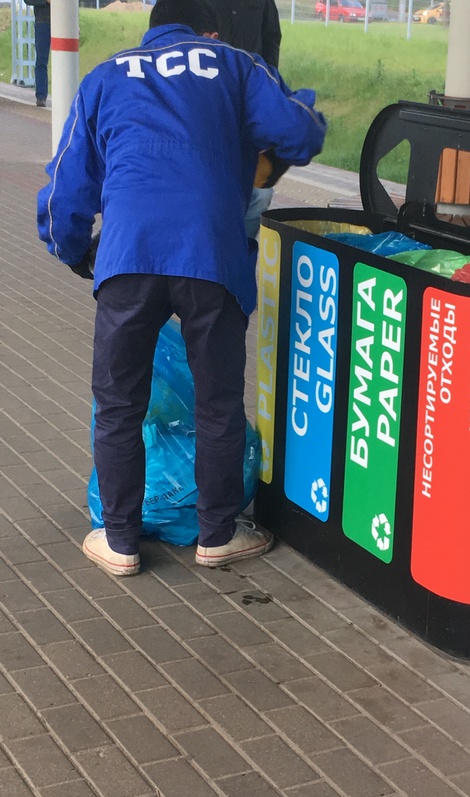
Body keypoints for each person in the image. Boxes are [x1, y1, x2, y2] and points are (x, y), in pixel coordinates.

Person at [37, 0, 326, 577]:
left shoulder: (105, 76)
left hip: (128, 259)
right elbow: (300, 132)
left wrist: (76, 253)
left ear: (151, 29)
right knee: (217, 404)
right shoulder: (235, 63)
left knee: (119, 406)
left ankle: (119, 542)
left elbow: (65, 188)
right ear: (206, 29)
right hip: (211, 256)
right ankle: (216, 536)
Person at [208, 0, 283, 238]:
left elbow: (271, 38)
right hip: (203, 99)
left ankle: (241, 252)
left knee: (259, 194)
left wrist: (268, 86)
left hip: (247, 103)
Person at [24, 0, 50, 107]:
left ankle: (66, 94)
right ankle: (41, 96)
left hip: (62, 22)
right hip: (43, 22)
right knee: (41, 60)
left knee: (65, 61)